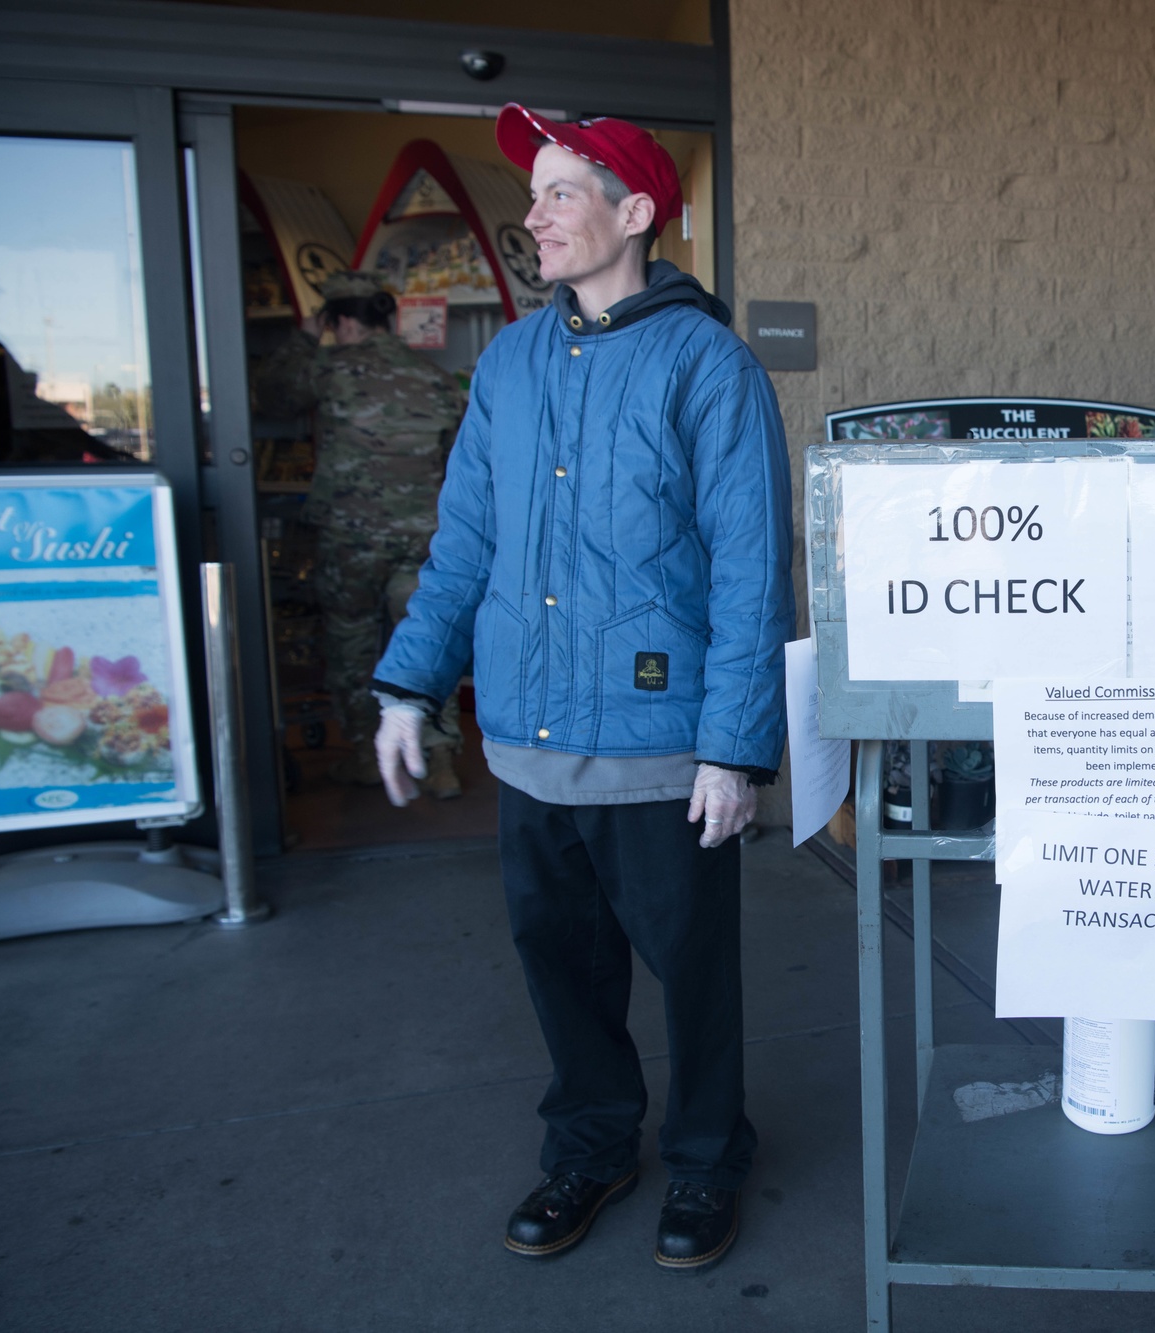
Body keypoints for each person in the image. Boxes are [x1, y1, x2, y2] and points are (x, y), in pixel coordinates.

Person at [369, 105, 793, 1271]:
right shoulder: (507, 361)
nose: (534, 213)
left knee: (692, 975)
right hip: (527, 737)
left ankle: (707, 1159)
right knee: (561, 964)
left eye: (562, 190)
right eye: (536, 190)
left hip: (662, 743)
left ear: (635, 213)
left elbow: (756, 568)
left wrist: (734, 746)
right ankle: (594, 1145)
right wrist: (408, 684)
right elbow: (463, 543)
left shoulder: (708, 364)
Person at [253, 270, 469, 796]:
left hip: (351, 539)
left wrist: (307, 335)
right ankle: (439, 763)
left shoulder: (328, 368)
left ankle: (363, 755)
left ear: (342, 322)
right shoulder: (433, 377)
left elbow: (270, 393)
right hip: (423, 537)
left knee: (349, 641)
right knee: (427, 641)